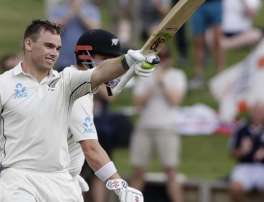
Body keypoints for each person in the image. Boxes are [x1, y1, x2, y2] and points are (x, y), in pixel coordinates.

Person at [0, 19, 159, 202]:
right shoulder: (0, 86)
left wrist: (128, 61)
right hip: (18, 178)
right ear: (28, 44)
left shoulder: (67, 81)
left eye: (57, 48)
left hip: (60, 180)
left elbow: (100, 73)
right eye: (48, 46)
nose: (54, 53)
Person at [68, 29, 138, 202]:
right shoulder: (76, 91)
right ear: (86, 56)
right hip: (49, 182)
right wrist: (120, 187)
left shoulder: (76, 79)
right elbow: (91, 148)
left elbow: (110, 91)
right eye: (106, 59)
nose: (112, 65)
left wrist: (132, 68)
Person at [129, 47, 187, 202]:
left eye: (165, 56)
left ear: (170, 59)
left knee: (171, 171)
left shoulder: (177, 75)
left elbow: (175, 100)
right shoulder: (145, 75)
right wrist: (153, 83)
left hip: (167, 128)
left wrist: (161, 81)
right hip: (145, 128)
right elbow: (137, 104)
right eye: (159, 57)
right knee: (138, 172)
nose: (162, 60)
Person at [49, 0, 101, 71]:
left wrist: (80, 13)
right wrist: (70, 13)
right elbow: (53, 30)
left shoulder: (91, 9)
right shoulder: (59, 8)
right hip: (63, 61)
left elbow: (96, 30)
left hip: (86, 60)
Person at [229, 100, 264, 202]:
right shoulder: (241, 129)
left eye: (261, 112)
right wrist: (242, 150)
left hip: (262, 167)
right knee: (235, 189)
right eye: (256, 111)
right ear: (251, 112)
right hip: (244, 166)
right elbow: (232, 153)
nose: (258, 114)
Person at [190, 0, 224, 89]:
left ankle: (221, 74)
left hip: (215, 3)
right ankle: (199, 76)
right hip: (196, 5)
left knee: (218, 41)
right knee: (198, 42)